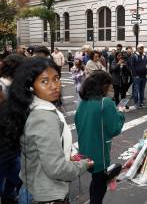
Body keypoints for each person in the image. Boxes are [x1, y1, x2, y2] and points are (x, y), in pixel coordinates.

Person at [0, 57, 93, 204]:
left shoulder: (29, 107)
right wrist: (83, 165)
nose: (54, 86)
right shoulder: (44, 117)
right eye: (44, 81)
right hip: (48, 196)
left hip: (33, 188)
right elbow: (56, 168)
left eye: (56, 79)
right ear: (31, 86)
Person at [75, 71, 125, 204]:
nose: (111, 87)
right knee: (99, 185)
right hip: (100, 151)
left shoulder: (83, 102)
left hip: (85, 149)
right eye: (109, 85)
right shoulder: (106, 102)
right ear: (103, 86)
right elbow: (114, 129)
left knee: (96, 180)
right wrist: (120, 114)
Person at [0, 55, 25, 204]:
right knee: (22, 179)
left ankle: (8, 197)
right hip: (6, 148)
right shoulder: (5, 88)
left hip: (11, 146)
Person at [131, 44, 147, 108]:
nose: (142, 49)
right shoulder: (134, 56)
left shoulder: (146, 56)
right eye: (140, 48)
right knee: (136, 90)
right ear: (137, 49)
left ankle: (141, 103)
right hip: (137, 76)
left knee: (142, 90)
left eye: (142, 48)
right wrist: (135, 75)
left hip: (144, 76)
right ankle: (136, 103)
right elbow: (132, 66)